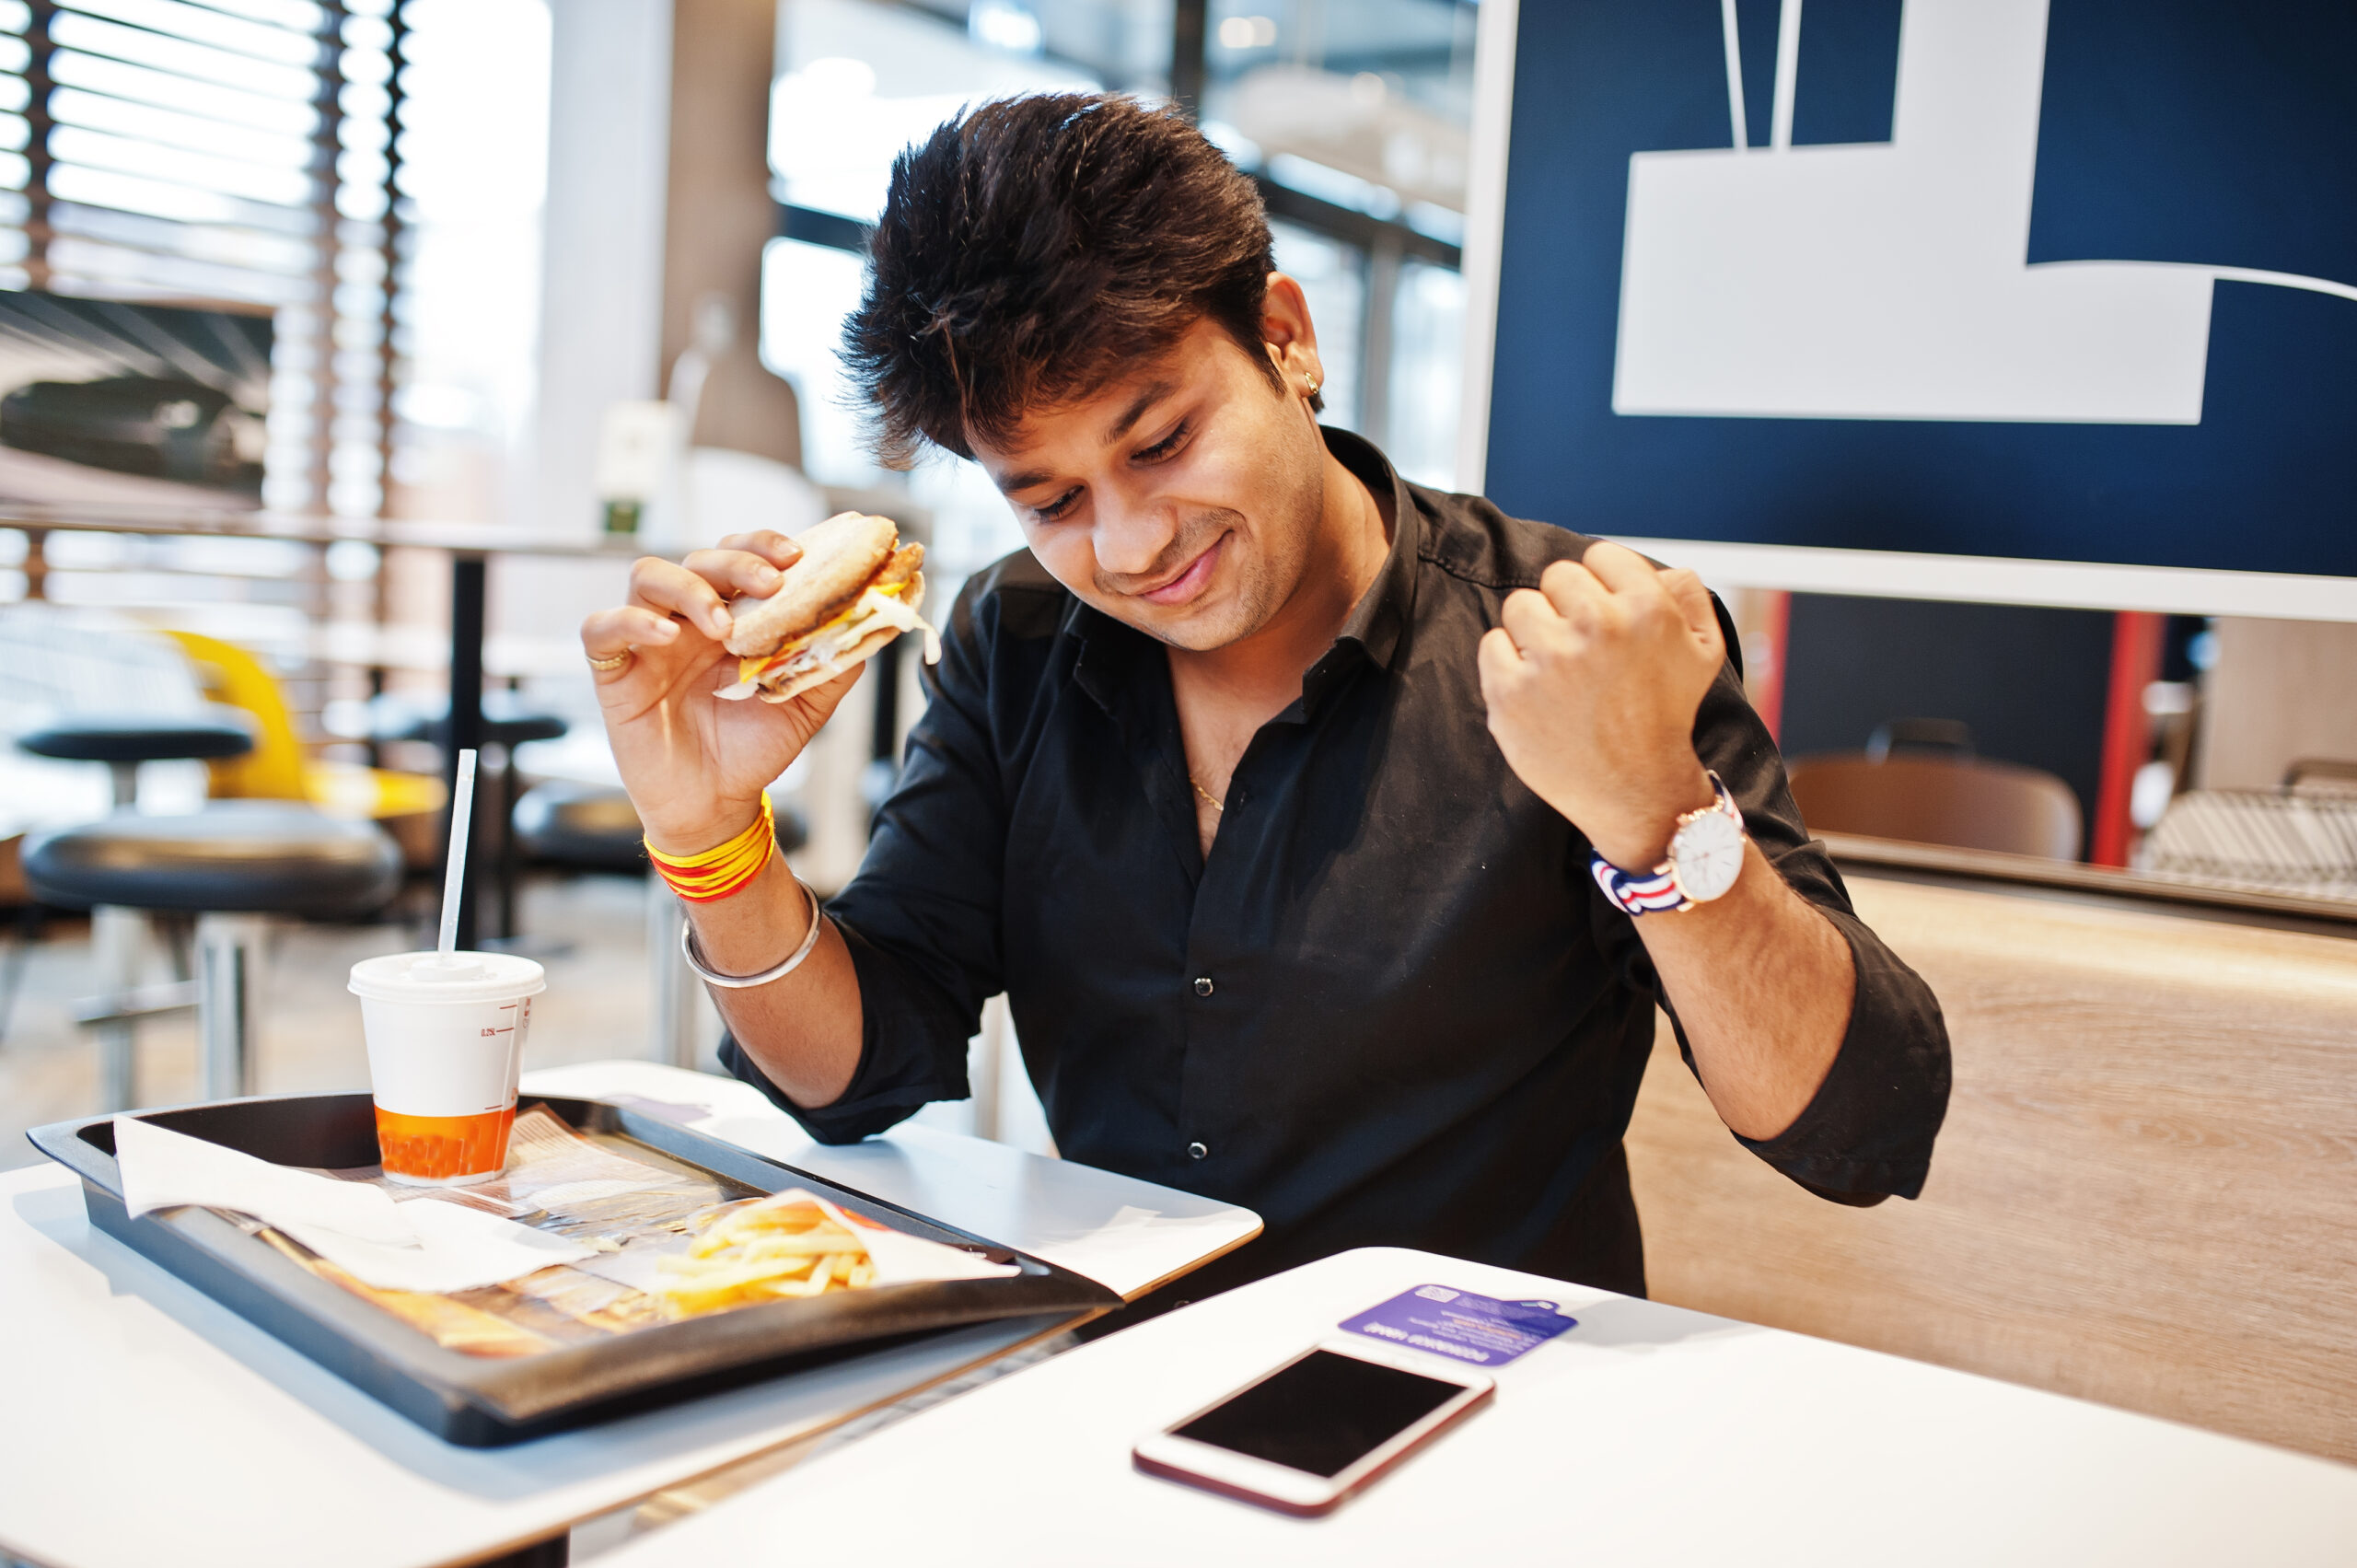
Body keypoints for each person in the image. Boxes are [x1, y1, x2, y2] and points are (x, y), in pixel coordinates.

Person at [582, 94, 1948, 1317]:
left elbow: (1854, 1129)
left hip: (1477, 1413)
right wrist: (711, 835)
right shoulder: (1020, 634)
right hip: (1122, 1384)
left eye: (1162, 440)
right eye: (1049, 498)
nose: (1126, 546)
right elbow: (859, 1072)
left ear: (1285, 338)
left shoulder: (1573, 633)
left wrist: (1658, 814)